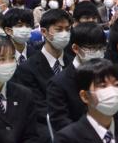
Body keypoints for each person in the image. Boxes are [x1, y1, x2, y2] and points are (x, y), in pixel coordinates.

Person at [11, 8, 74, 137]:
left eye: (67, 29)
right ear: (44, 32)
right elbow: (38, 108)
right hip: (46, 129)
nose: (64, 34)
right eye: (59, 29)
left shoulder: (74, 63)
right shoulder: (26, 69)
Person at [48, 22, 108, 132]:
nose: (98, 52)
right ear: (75, 48)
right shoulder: (59, 84)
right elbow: (61, 122)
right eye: (92, 48)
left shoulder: (110, 75)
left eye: (101, 48)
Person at [54, 58, 118, 142]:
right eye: (103, 86)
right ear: (85, 96)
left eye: (116, 84)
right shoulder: (67, 138)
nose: (112, 91)